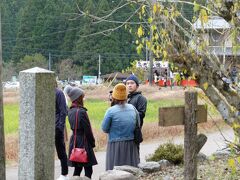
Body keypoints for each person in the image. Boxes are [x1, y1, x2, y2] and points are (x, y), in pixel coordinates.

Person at [102, 83, 140, 170]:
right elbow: (137, 124)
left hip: (115, 145)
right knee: (131, 170)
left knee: (115, 171)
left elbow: (104, 128)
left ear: (114, 97)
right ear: (126, 96)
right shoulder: (133, 108)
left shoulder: (110, 111)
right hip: (131, 144)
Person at [65, 86, 97, 179]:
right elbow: (88, 130)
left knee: (77, 169)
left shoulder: (70, 111)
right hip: (84, 141)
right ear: (78, 98)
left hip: (74, 141)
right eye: (82, 97)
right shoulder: (82, 112)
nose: (84, 98)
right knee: (88, 169)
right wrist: (92, 142)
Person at [55, 87, 69, 180]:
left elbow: (63, 111)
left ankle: (64, 174)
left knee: (61, 151)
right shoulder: (44, 91)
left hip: (57, 127)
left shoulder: (59, 93)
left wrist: (60, 127)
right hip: (46, 127)